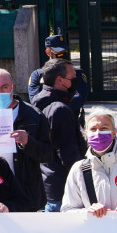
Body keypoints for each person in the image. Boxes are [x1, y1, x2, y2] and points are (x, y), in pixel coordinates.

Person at [0, 68, 54, 213]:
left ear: (13, 87)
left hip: (23, 192)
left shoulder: (33, 115)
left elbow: (47, 155)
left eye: (4, 87)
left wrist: (27, 142)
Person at [33, 59, 87, 212]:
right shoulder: (59, 109)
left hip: (48, 184)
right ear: (60, 80)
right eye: (72, 78)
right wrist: (84, 183)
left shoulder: (41, 102)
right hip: (63, 190)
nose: (76, 81)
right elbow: (69, 155)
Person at [26, 34, 90, 115]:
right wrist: (56, 107)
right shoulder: (37, 75)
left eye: (64, 51)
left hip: (71, 118)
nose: (62, 55)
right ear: (48, 52)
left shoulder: (77, 73)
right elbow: (35, 101)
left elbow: (80, 98)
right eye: (59, 52)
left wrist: (61, 109)